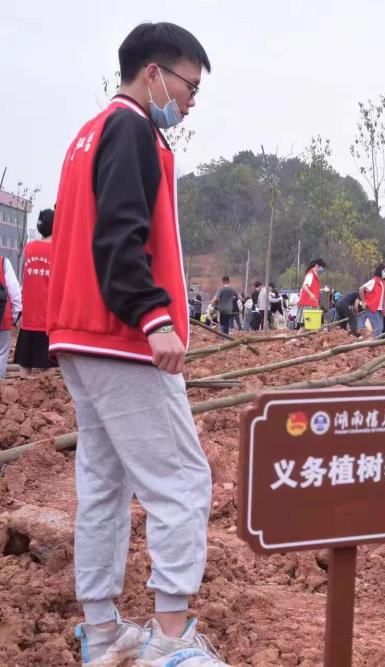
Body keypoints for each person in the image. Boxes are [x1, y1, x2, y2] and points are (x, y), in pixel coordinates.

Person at [46, 22, 227, 664]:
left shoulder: (87, 134)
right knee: (181, 479)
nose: (190, 102)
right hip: (119, 337)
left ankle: (101, 635)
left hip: (79, 336)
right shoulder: (131, 128)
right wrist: (153, 317)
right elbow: (119, 234)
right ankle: (172, 642)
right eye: (189, 86)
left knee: (104, 484)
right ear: (154, 74)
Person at [13, 208, 55, 374]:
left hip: (28, 318)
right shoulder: (58, 250)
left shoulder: (28, 249)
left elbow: (22, 280)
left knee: (25, 362)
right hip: (48, 320)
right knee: (50, 365)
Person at [0, 253, 23, 379]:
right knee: (1, 354)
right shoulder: (3, 262)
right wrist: (14, 317)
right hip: (2, 318)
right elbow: (15, 293)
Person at [358, 265, 385, 337]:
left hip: (379, 309)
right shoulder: (373, 281)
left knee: (380, 328)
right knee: (378, 328)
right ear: (379, 271)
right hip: (372, 308)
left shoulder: (382, 282)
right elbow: (361, 289)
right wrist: (364, 302)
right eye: (384, 271)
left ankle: (376, 344)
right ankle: (375, 345)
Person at [297, 259, 326, 327]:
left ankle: (303, 337)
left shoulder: (314, 275)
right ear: (317, 266)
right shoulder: (310, 274)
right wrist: (311, 294)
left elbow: (313, 289)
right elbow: (304, 286)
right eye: (322, 267)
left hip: (312, 302)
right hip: (308, 303)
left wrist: (322, 289)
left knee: (311, 325)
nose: (322, 269)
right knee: (307, 325)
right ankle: (295, 337)